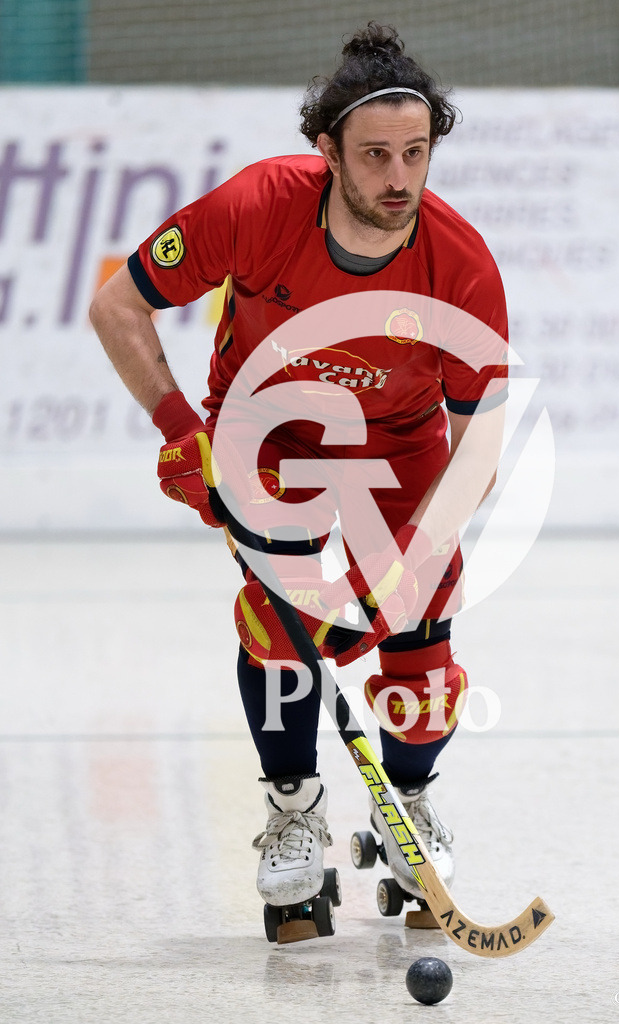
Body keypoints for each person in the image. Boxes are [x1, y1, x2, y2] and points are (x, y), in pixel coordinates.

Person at [90, 22, 508, 926]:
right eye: (374, 157)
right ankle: (294, 817)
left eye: (415, 153)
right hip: (263, 440)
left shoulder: (461, 264)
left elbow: (481, 442)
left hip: (399, 446)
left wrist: (402, 573)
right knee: (283, 633)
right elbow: (116, 303)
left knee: (422, 628)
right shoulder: (255, 208)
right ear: (327, 153)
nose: (399, 179)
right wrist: (176, 430)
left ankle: (409, 804)